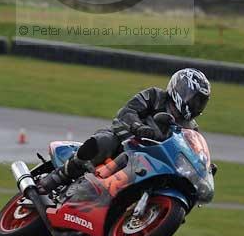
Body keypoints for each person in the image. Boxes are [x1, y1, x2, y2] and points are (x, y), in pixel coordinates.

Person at [38, 67, 213, 194]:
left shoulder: (191, 127)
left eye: (201, 102)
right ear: (180, 90)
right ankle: (58, 177)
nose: (197, 105)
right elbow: (127, 112)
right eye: (195, 99)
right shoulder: (155, 96)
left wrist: (204, 165)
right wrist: (138, 127)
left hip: (151, 161)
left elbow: (190, 149)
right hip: (125, 141)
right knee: (103, 142)